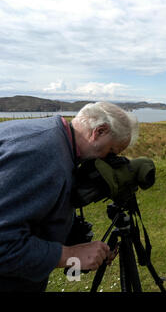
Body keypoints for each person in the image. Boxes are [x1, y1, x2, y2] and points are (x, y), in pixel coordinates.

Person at [0, 101, 139, 291]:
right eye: (111, 152)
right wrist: (69, 255)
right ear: (99, 131)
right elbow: (3, 243)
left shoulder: (54, 138)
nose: (108, 161)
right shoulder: (42, 154)